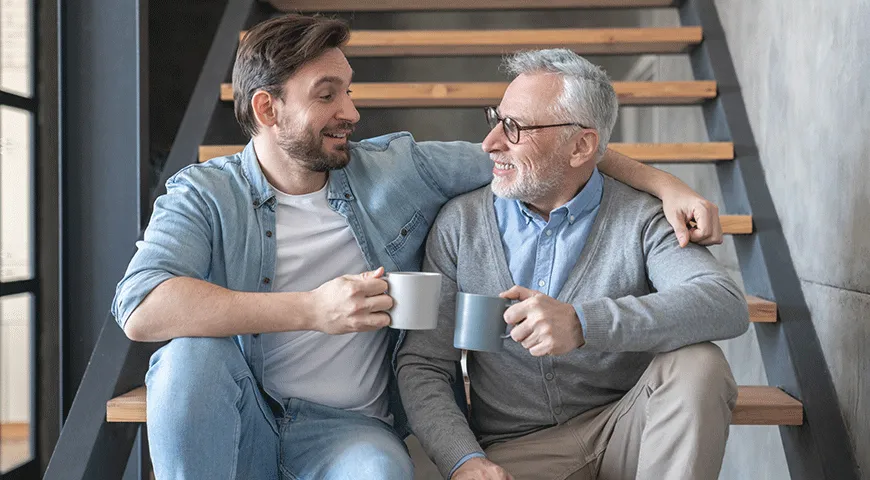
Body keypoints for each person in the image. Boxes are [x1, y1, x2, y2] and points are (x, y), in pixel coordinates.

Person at [113, 14, 728, 480]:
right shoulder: (203, 193)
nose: (352, 111)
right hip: (247, 408)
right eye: (328, 95)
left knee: (384, 473)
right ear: (268, 109)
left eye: (349, 90)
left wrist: (662, 182)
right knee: (187, 360)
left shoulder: (397, 168)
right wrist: (311, 310)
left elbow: (531, 157)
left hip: (352, 429)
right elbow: (142, 308)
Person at [396, 49, 749, 480]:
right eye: (496, 118)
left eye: (514, 127)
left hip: (628, 429)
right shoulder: (460, 225)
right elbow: (424, 364)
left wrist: (583, 323)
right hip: (519, 451)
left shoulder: (643, 218)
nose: (490, 143)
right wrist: (464, 461)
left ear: (581, 146)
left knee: (700, 364)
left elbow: (723, 302)